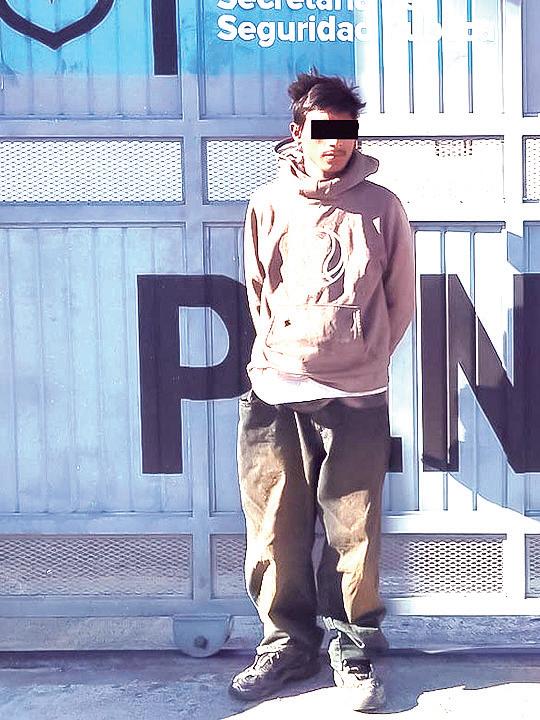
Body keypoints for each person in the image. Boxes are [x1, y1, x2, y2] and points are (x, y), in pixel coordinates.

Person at [229, 68, 415, 711]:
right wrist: (284, 354)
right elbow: (259, 291)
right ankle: (286, 644)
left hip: (357, 393)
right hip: (276, 390)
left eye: (345, 130)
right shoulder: (268, 203)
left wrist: (364, 356)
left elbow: (399, 298)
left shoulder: (382, 206)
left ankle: (351, 646)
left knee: (352, 526)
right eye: (322, 130)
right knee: (275, 525)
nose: (334, 142)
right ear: (297, 134)